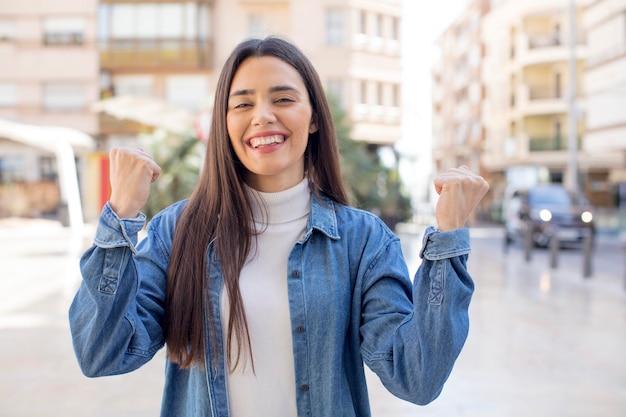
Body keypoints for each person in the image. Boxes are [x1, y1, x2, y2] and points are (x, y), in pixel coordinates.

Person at [69, 36, 489, 417]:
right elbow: (102, 353)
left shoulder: (363, 241)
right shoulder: (177, 231)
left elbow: (416, 377)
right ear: (225, 122)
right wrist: (120, 215)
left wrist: (449, 239)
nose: (262, 116)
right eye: (243, 103)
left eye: (283, 99)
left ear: (313, 118)